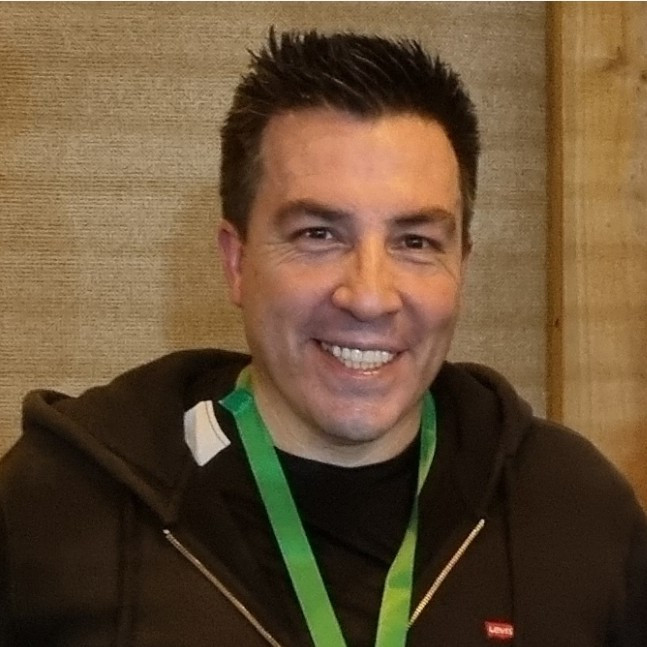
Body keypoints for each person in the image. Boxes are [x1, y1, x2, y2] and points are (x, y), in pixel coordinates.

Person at [1, 29, 645, 647]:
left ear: (462, 266)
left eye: (415, 241)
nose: (369, 295)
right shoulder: (57, 508)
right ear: (237, 261)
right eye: (319, 234)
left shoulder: (576, 514)